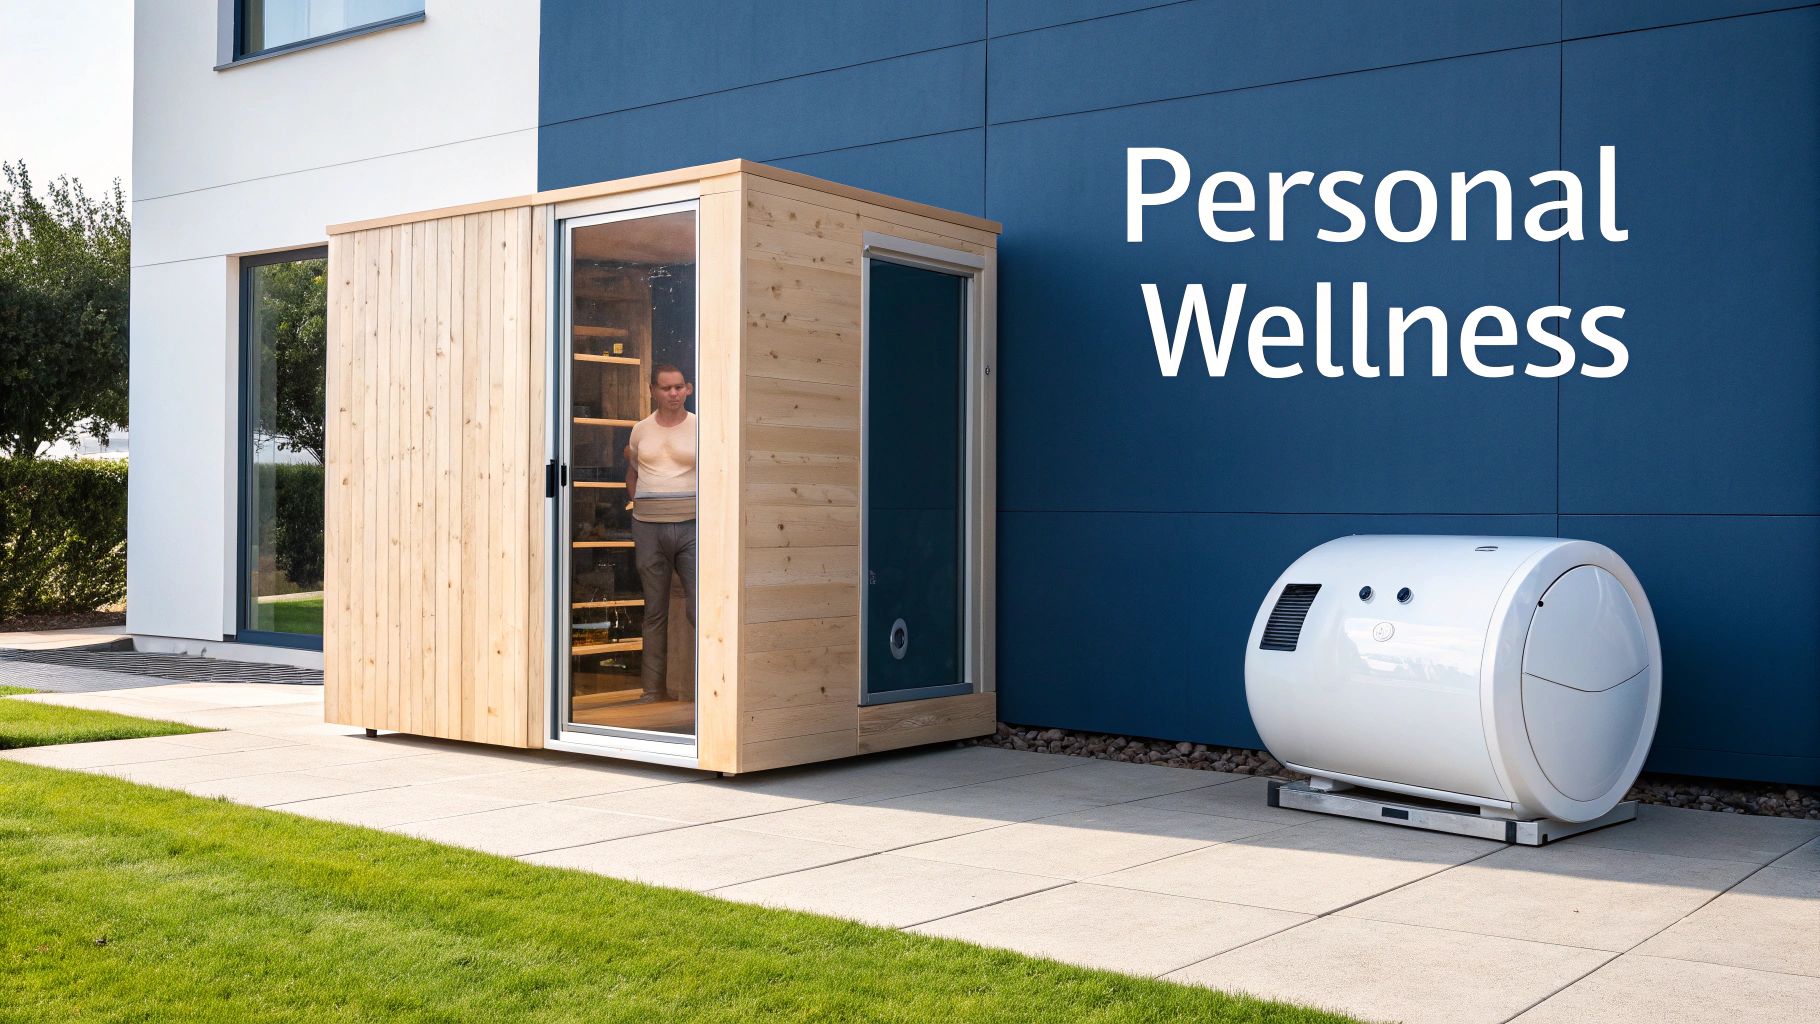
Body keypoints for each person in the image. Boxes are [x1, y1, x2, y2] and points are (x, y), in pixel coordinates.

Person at [624, 364, 696, 704]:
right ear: (653, 390)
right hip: (647, 526)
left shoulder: (702, 428)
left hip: (692, 524)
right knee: (654, 609)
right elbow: (632, 470)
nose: (673, 393)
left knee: (700, 606)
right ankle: (652, 690)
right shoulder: (640, 430)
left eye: (679, 387)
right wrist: (635, 501)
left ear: (689, 389)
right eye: (666, 388)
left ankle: (704, 688)